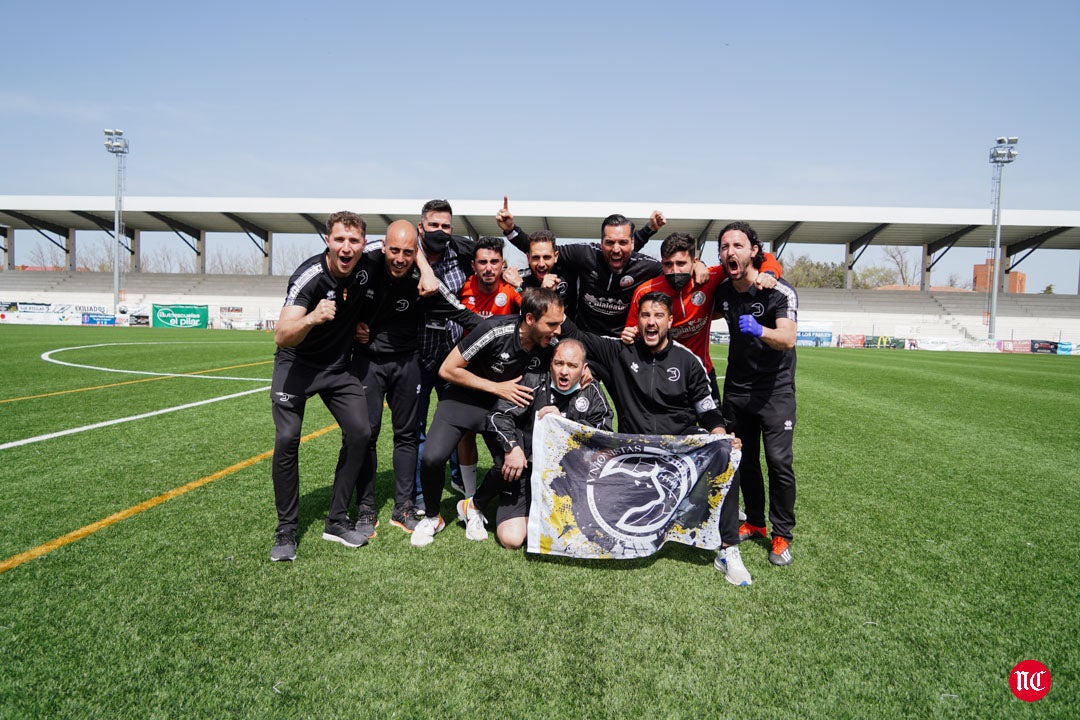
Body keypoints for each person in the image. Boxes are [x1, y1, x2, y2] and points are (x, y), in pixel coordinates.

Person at [563, 292, 752, 585]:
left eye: (659, 316)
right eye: (646, 316)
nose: (652, 322)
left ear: (670, 321)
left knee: (728, 453)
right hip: (634, 453)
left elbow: (708, 409)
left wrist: (719, 434)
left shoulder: (687, 361)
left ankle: (728, 549)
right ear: (637, 321)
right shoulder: (620, 351)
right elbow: (575, 335)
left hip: (680, 451)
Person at [351, 220, 480, 537]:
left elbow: (462, 313)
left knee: (407, 435)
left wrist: (507, 332)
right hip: (368, 361)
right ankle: (366, 508)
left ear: (414, 252)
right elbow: (335, 290)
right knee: (366, 433)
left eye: (408, 253)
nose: (399, 258)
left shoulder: (425, 283)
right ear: (383, 246)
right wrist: (353, 323)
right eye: (393, 250)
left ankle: (404, 507)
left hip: (408, 362)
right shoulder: (364, 264)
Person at [412, 288, 566, 547]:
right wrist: (497, 387)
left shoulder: (548, 344)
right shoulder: (493, 330)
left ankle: (473, 506)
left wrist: (585, 373)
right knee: (432, 458)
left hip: (502, 409)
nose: (557, 331)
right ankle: (432, 517)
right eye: (551, 324)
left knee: (513, 462)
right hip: (463, 398)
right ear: (530, 319)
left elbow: (571, 357)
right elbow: (448, 369)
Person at [268, 211, 372, 561]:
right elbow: (282, 335)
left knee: (361, 431)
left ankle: (336, 520)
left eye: (353, 241)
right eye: (339, 239)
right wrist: (312, 317)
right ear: (327, 240)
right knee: (287, 438)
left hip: (337, 368)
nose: (346, 247)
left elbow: (401, 245)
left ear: (362, 244)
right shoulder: (309, 276)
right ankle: (286, 530)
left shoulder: (365, 265)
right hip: (296, 364)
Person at [713, 221, 799, 569]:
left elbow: (788, 338)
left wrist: (760, 329)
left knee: (778, 463)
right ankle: (756, 522)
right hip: (737, 389)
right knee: (743, 460)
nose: (730, 251)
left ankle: (782, 534)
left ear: (754, 251)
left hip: (775, 391)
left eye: (737, 245)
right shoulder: (724, 291)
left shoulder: (779, 291)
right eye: (724, 247)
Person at [482, 338, 613, 548]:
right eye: (559, 363)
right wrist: (512, 447)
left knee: (586, 532)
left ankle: (548, 509)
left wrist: (565, 422)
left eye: (572, 366)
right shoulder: (533, 381)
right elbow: (498, 415)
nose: (564, 371)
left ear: (584, 368)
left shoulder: (592, 391)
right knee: (511, 539)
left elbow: (605, 434)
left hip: (571, 477)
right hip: (530, 474)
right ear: (550, 363)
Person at [496, 198, 691, 339]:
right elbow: (543, 253)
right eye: (609, 242)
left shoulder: (647, 266)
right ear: (601, 243)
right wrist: (511, 231)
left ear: (632, 243)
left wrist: (697, 266)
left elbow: (674, 270)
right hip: (584, 338)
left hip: (620, 342)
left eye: (623, 242)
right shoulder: (585, 255)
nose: (616, 249)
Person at [625, 231, 783, 401]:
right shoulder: (645, 292)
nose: (674, 270)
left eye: (681, 263)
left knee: (715, 425)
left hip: (702, 371)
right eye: (668, 264)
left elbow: (763, 256)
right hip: (662, 373)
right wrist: (629, 334)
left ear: (694, 262)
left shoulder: (709, 277)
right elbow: (631, 332)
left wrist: (770, 274)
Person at [454, 235, 522, 517]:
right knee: (466, 433)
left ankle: (507, 485)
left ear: (502, 264)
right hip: (469, 371)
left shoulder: (511, 291)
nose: (488, 267)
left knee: (504, 433)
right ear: (474, 265)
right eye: (482, 262)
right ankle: (470, 494)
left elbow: (537, 312)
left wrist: (521, 284)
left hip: (504, 375)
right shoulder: (463, 289)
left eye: (494, 262)